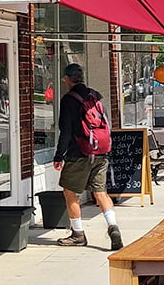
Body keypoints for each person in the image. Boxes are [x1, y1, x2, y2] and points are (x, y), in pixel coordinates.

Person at [52, 63, 123, 249]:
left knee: (70, 192)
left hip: (79, 154)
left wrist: (59, 156)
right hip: (100, 152)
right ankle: (113, 226)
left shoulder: (68, 100)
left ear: (67, 79)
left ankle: (78, 234)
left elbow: (65, 132)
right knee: (100, 192)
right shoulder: (94, 96)